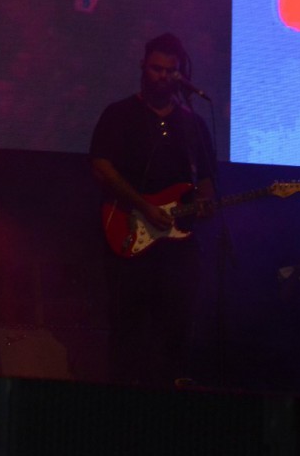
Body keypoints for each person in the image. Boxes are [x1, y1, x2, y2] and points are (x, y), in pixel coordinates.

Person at [89, 32, 216, 386]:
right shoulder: (120, 114)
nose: (162, 76)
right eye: (156, 69)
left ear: (180, 73)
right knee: (128, 333)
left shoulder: (192, 124)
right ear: (143, 68)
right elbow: (101, 166)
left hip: (177, 248)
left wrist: (206, 201)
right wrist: (143, 206)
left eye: (170, 71)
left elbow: (206, 178)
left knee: (177, 328)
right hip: (131, 237)